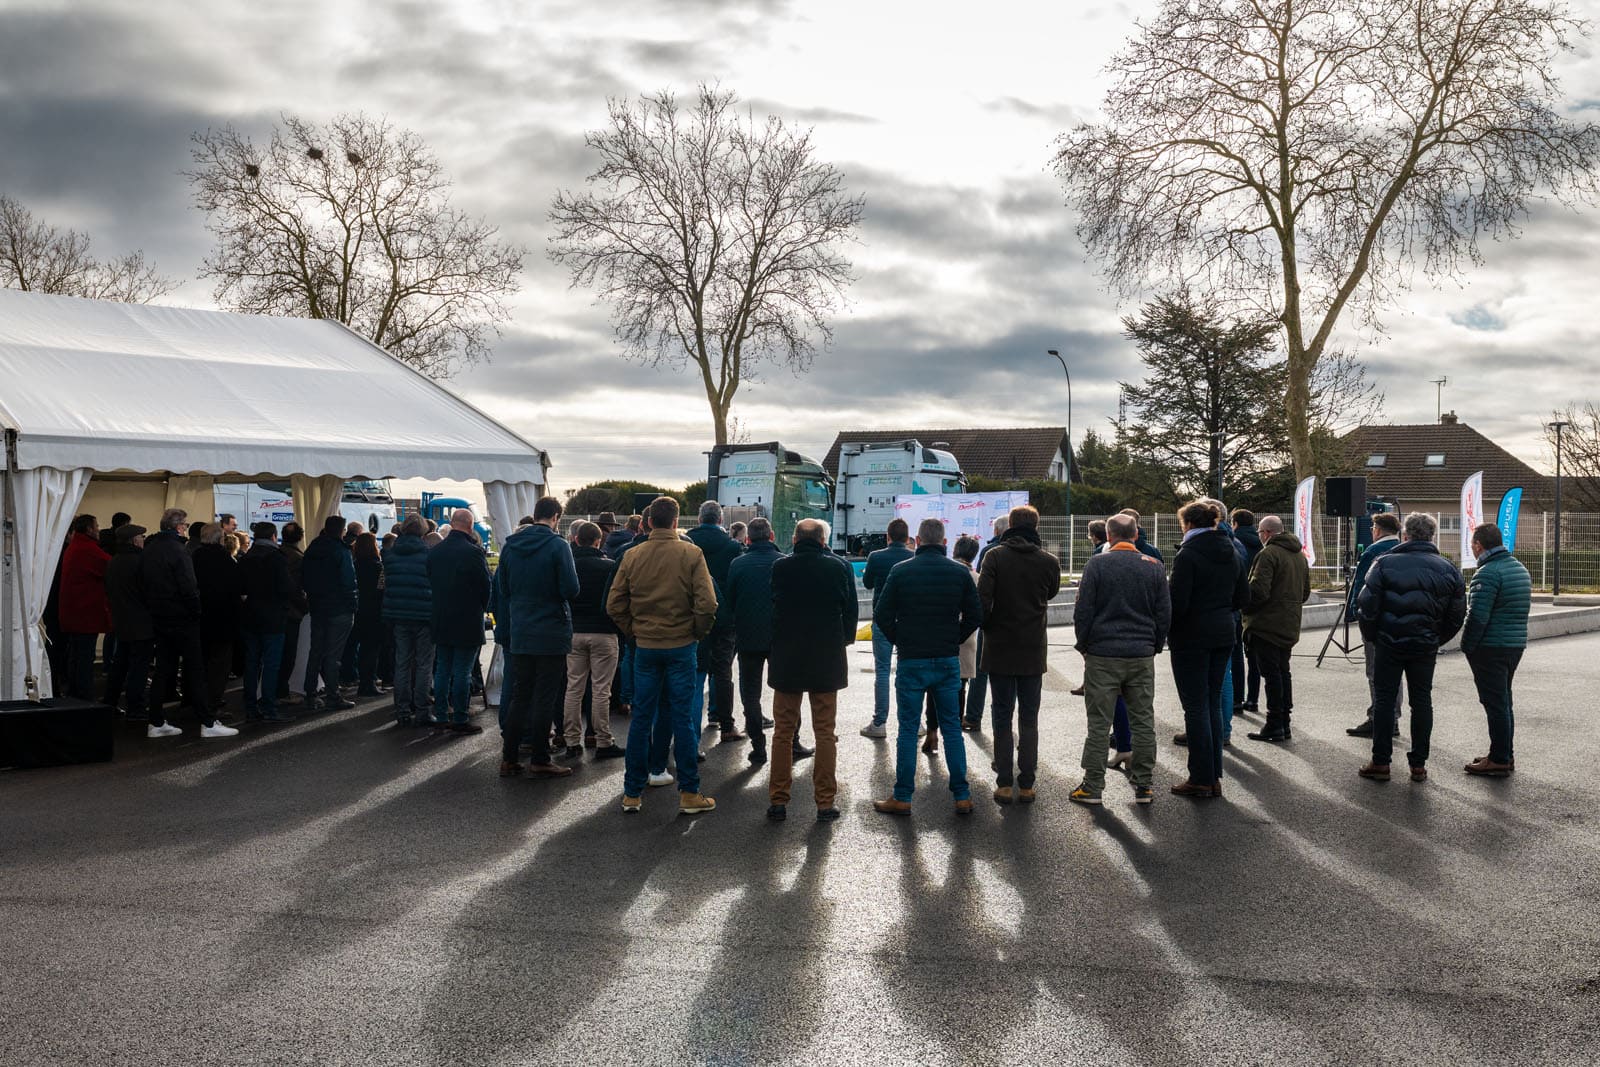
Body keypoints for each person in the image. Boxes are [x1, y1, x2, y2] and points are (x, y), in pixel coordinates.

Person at [609, 496, 719, 815]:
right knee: (682, 718)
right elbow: (708, 604)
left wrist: (634, 631)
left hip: (646, 645)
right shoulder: (691, 553)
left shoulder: (632, 555)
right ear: (676, 522)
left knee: (641, 718)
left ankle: (632, 793)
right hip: (681, 644)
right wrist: (696, 632)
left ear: (647, 523)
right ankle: (689, 792)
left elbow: (614, 604)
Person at [871, 517, 983, 816]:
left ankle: (903, 796)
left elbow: (881, 614)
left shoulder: (901, 570)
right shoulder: (959, 572)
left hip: (912, 659)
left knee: (908, 729)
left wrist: (901, 639)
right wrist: (953, 639)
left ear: (917, 541)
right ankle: (962, 795)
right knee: (952, 728)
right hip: (947, 659)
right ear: (944, 543)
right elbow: (975, 614)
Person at [1355, 512, 1466, 783]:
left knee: (1384, 700)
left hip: (1388, 643)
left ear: (1405, 535)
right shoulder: (1448, 568)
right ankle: (1418, 764)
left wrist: (1374, 636)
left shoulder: (1383, 563)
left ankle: (1381, 762)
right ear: (1432, 537)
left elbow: (1366, 605)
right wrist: (1436, 638)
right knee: (1422, 701)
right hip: (1424, 645)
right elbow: (1457, 614)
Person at [1070, 513, 1169, 805]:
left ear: (1109, 536)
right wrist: (1154, 645)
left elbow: (1083, 610)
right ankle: (1144, 784)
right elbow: (1164, 613)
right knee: (1143, 721)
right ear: (1136, 535)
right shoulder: (1154, 567)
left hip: (1103, 654)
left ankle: (1092, 786)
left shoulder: (1097, 564)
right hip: (1140, 654)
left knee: (1099, 724)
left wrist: (1084, 645)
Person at [765, 518, 857, 822]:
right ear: (822, 540)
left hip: (787, 656)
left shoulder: (780, 567)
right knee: (825, 732)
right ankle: (825, 802)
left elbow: (773, 607)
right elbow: (850, 611)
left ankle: (778, 800)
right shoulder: (838, 567)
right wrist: (843, 640)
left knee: (783, 731)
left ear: (794, 539)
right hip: (826, 657)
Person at [1166, 501, 1250, 798]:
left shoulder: (1187, 554)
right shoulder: (1231, 551)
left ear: (1187, 524)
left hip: (1192, 637)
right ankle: (1213, 776)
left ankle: (1201, 777)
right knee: (1212, 703)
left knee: (1195, 707)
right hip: (1223, 632)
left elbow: (1178, 603)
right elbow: (1243, 596)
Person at [978, 505, 1062, 804]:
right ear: (1036, 526)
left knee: (1001, 715)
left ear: (1011, 525)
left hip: (999, 646)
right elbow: (1050, 593)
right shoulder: (1049, 561)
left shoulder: (994, 556)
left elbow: (982, 600)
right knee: (1029, 717)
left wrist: (988, 626)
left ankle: (1004, 782)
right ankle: (1027, 783)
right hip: (1032, 648)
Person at [496, 498, 580, 777]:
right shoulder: (558, 546)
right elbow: (570, 588)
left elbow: (504, 588)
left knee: (521, 694)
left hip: (521, 628)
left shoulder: (510, 546)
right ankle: (540, 757)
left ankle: (509, 756)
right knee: (545, 696)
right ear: (555, 517)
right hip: (551, 630)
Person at [140, 509, 239, 739]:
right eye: (184, 525)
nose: (185, 528)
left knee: (163, 669)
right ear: (178, 527)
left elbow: (142, 582)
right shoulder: (178, 550)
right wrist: (195, 611)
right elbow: (188, 585)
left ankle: (156, 721)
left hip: (159, 615)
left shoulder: (150, 549)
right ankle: (207, 721)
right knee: (195, 669)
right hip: (182, 617)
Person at [726, 517, 813, 767]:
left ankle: (758, 747)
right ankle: (793, 741)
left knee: (750, 694)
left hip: (747, 637)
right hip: (780, 638)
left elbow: (730, 602)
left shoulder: (738, 564)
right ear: (772, 536)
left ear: (748, 539)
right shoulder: (785, 562)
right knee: (788, 691)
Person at [1460, 522, 1531, 777]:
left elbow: (1477, 617)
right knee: (1504, 702)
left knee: (1495, 704)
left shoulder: (1487, 573)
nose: (1472, 548)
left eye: (1472, 544)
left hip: (1490, 647)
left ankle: (1499, 759)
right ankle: (1504, 753)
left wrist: (1466, 646)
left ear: (1479, 545)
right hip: (1514, 645)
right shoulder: (1519, 569)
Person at [1241, 515, 1311, 743]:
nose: (1259, 536)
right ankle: (1284, 722)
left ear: (1267, 533)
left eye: (1260, 533)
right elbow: (1305, 592)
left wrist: (1244, 607)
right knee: (1282, 672)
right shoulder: (1299, 555)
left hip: (1266, 625)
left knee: (1271, 675)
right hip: (1289, 623)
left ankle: (1274, 724)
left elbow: (1258, 591)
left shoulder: (1268, 554)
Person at [428, 509, 492, 734]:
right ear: (470, 525)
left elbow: (430, 581)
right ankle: (460, 718)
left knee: (442, 669)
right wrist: (482, 608)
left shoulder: (435, 552)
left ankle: (441, 715)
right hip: (467, 618)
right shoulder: (473, 552)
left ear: (452, 523)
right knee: (462, 671)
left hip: (441, 616)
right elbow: (485, 586)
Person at [565, 520, 624, 760]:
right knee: (601, 689)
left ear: (576, 539)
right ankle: (603, 740)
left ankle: (571, 740)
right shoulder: (609, 567)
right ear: (599, 541)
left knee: (573, 687)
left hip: (574, 631)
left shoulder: (569, 566)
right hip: (603, 631)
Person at [686, 500, 745, 741]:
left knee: (696, 671)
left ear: (700, 518)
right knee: (722, 671)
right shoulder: (732, 546)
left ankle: (691, 732)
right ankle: (725, 723)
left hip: (692, 614)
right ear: (720, 520)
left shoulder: (687, 542)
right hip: (724, 615)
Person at [1345, 511, 1404, 738]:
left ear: (1377, 530)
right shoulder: (1402, 549)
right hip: (1398, 619)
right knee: (1395, 673)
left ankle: (1378, 718)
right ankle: (1393, 717)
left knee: (1375, 671)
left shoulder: (1373, 551)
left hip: (1376, 620)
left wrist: (1354, 612)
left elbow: (1362, 585)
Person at [923, 535, 982, 755]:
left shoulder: (942, 571)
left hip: (939, 638)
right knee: (959, 688)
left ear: (954, 550)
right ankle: (954, 735)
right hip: (965, 640)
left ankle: (932, 732)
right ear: (974, 555)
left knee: (933, 688)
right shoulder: (977, 578)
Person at [859, 517, 914, 739]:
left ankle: (879, 722)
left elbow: (868, 583)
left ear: (887, 537)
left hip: (882, 618)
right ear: (907, 537)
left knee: (882, 670)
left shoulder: (876, 556)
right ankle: (914, 721)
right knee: (907, 670)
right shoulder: (913, 557)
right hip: (907, 620)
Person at [239, 521, 297, 723]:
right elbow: (286, 587)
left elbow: (241, 587)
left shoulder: (246, 558)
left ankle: (250, 707)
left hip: (250, 616)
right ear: (273, 536)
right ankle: (269, 707)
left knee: (251, 663)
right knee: (271, 664)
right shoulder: (276, 558)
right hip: (273, 617)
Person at [301, 515, 358, 712]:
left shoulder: (312, 548)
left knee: (315, 652)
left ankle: (310, 694)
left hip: (317, 606)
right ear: (341, 530)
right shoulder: (341, 551)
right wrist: (353, 605)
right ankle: (333, 695)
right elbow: (349, 581)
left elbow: (304, 577)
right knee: (334, 655)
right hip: (339, 608)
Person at [382, 515, 435, 727]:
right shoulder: (428, 555)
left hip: (398, 615)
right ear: (423, 531)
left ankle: (402, 710)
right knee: (423, 664)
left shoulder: (389, 555)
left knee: (402, 663)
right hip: (424, 615)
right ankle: (422, 710)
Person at [57, 514, 111, 700]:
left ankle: (74, 693)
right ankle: (84, 696)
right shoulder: (87, 549)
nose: (98, 529)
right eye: (96, 526)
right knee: (84, 658)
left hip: (73, 613)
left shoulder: (74, 547)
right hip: (85, 614)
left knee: (76, 656)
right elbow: (109, 566)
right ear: (89, 529)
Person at [102, 523, 153, 721]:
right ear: (134, 540)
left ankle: (110, 701)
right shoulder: (140, 561)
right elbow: (148, 590)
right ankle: (135, 706)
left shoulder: (114, 561)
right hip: (141, 622)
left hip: (121, 620)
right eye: (141, 537)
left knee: (120, 665)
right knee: (139, 667)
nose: (143, 540)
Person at [964, 515, 1009, 731]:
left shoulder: (990, 552)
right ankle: (1004, 720)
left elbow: (983, 588)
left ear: (997, 531)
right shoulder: (1035, 553)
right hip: (1019, 624)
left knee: (980, 671)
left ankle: (973, 717)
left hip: (991, 620)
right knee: (1011, 673)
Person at [193, 523, 242, 713]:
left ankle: (199, 699)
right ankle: (213, 702)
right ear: (220, 539)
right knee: (220, 663)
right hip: (223, 618)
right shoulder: (225, 560)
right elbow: (236, 588)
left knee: (202, 661)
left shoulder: (195, 556)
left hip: (200, 617)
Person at [1230, 509, 1264, 713]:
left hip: (1237, 604)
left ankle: (1236, 698)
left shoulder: (1233, 543)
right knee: (1253, 656)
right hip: (1256, 606)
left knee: (1235, 654)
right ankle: (1253, 699)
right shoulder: (1262, 544)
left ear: (1234, 523)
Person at [350, 532, 385, 696]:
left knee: (359, 648)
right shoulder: (378, 567)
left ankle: (360, 680)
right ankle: (368, 683)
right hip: (374, 612)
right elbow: (382, 589)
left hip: (357, 611)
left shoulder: (354, 565)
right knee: (371, 650)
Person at [277, 521, 307, 701]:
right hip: (292, 611)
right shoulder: (298, 558)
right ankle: (281, 691)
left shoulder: (277, 554)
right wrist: (305, 606)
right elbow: (296, 588)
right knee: (288, 654)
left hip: (276, 610)